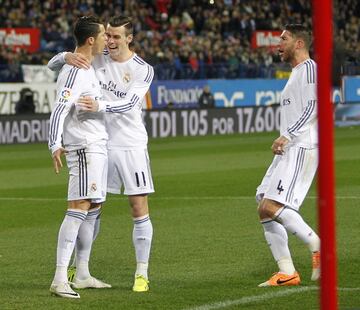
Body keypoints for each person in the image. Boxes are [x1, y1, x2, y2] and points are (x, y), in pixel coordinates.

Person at [48, 16, 155, 293]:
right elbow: (53, 66)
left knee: (137, 206)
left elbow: (131, 103)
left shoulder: (143, 69)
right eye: (107, 35)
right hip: (97, 143)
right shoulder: (94, 57)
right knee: (92, 208)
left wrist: (99, 105)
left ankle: (141, 273)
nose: (110, 41)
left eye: (116, 37)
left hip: (130, 143)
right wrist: (65, 55)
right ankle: (80, 270)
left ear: (129, 38)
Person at [48, 16, 111, 299]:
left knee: (93, 206)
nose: (106, 40)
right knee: (78, 207)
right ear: (90, 40)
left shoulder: (84, 65)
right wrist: (54, 144)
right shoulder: (76, 71)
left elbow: (52, 63)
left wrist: (62, 55)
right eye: (103, 36)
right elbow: (60, 108)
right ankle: (60, 277)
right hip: (84, 147)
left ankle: (82, 273)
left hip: (96, 146)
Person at [255, 24, 320, 287]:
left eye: (284, 39)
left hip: (302, 147)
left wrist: (288, 135)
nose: (278, 44)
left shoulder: (310, 69)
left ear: (300, 43)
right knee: (263, 204)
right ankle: (287, 272)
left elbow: (315, 106)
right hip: (291, 148)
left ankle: (317, 243)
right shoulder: (295, 72)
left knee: (272, 206)